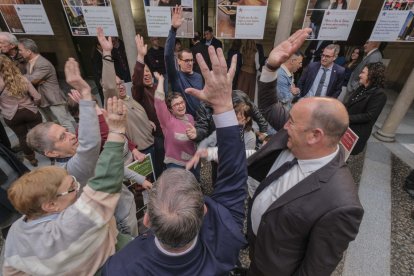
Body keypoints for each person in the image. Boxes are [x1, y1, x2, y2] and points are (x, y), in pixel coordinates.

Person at [102, 40, 247, 276]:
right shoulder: (227, 237)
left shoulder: (121, 267)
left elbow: (231, 174)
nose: (180, 106)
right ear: (204, 213)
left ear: (146, 220)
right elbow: (235, 175)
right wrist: (223, 105)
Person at [246, 28, 364, 276]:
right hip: (258, 248)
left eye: (292, 122)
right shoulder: (296, 135)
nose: (284, 125)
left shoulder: (341, 204)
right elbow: (268, 106)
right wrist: (270, 67)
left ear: (315, 136)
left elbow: (315, 270)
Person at [3, 93, 129, 275]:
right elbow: (106, 181)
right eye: (72, 188)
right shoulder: (70, 225)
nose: (78, 189)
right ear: (50, 205)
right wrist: (116, 132)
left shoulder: (15, 233)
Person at [26, 58, 138, 237]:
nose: (71, 135)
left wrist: (140, 179)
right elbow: (90, 144)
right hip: (118, 222)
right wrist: (86, 94)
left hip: (123, 208)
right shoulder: (68, 171)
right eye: (62, 137)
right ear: (51, 152)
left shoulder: (75, 157)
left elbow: (110, 168)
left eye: (66, 131)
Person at [18, 38, 76, 133]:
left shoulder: (43, 63)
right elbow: (30, 79)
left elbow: (32, 80)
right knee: (51, 124)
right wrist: (29, 78)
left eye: (21, 50)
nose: (19, 52)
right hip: (42, 99)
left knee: (65, 122)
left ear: (29, 51)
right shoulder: (29, 63)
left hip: (53, 99)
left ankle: (75, 142)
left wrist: (26, 78)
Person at [132, 34, 166, 178]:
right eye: (143, 72)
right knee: (158, 163)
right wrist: (140, 56)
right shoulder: (139, 91)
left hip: (165, 131)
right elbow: (137, 80)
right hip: (155, 134)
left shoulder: (157, 86)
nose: (145, 74)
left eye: (147, 71)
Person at [0, 55, 42, 167]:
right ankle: (49, 153)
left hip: (11, 116)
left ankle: (32, 159)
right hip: (30, 111)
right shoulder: (21, 78)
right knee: (40, 133)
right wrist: (35, 105)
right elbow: (37, 97)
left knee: (22, 137)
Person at [165, 6, 203, 118]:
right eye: (186, 60)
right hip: (184, 121)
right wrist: (173, 29)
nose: (190, 63)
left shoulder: (198, 77)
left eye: (191, 60)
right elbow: (167, 55)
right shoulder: (176, 76)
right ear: (179, 61)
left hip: (200, 120)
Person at [345, 62, 387, 155]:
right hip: (346, 128)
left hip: (356, 133)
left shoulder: (379, 94)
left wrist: (345, 118)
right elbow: (350, 103)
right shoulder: (361, 88)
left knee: (344, 158)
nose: (360, 75)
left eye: (363, 73)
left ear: (372, 75)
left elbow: (369, 116)